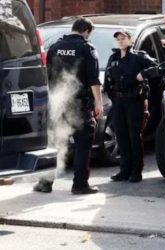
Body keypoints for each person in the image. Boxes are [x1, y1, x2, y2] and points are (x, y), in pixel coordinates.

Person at [43, 17, 103, 194]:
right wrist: (98, 103)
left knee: (56, 143)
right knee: (83, 144)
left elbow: (48, 76)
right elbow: (94, 79)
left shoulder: (54, 47)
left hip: (57, 103)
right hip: (79, 105)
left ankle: (45, 183)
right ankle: (79, 185)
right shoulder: (87, 48)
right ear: (86, 31)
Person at [104, 30, 157, 183]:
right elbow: (108, 80)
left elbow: (157, 67)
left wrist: (143, 74)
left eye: (123, 38)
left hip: (134, 101)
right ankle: (124, 170)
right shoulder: (113, 58)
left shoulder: (138, 57)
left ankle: (136, 171)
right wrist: (111, 96)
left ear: (131, 40)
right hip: (119, 102)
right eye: (118, 39)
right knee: (121, 136)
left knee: (134, 136)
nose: (120, 41)